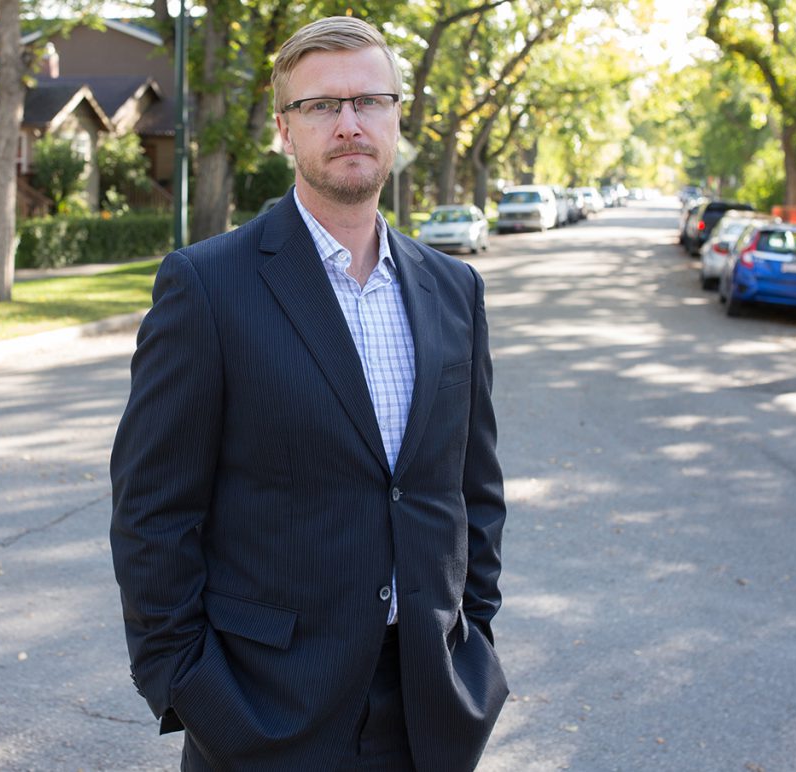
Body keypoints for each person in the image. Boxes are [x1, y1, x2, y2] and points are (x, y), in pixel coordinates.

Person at [110, 16, 508, 772]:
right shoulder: (208, 286)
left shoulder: (456, 291)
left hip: (428, 708)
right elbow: (152, 512)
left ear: (397, 118)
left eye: (369, 102)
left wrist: (472, 638)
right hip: (263, 714)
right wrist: (190, 686)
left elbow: (472, 491)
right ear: (285, 132)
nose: (349, 124)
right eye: (322, 106)